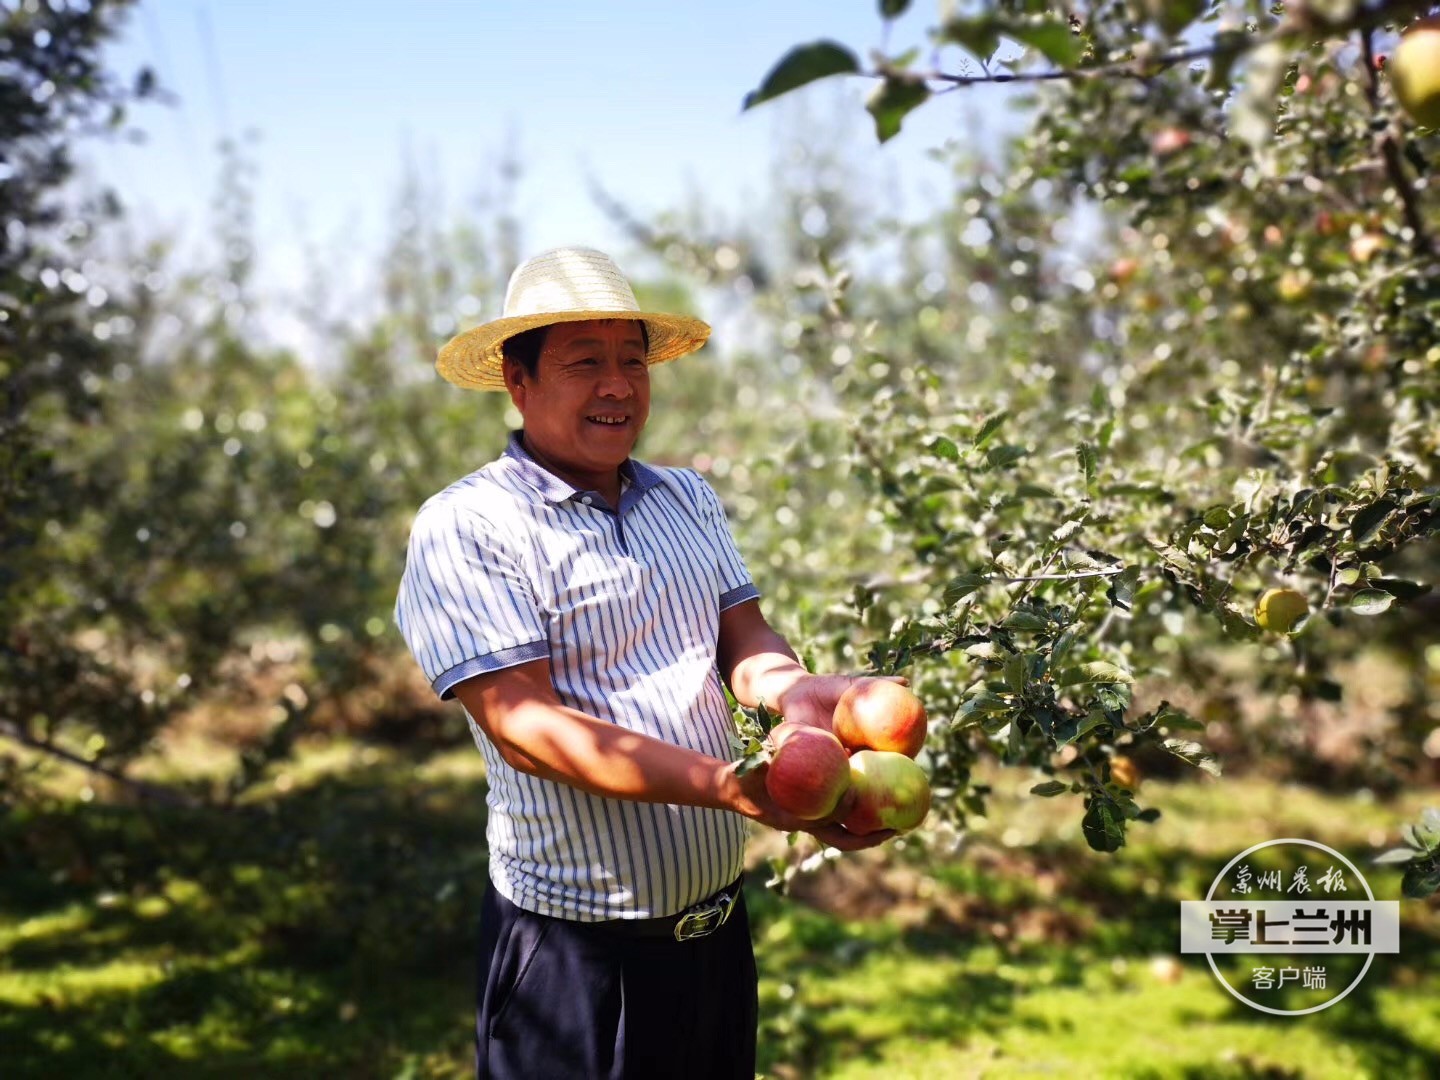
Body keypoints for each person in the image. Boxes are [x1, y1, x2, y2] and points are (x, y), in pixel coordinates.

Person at [393, 246, 892, 1079]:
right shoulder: (468, 525)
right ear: (517, 383)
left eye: (634, 361)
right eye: (585, 363)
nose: (618, 385)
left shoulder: (686, 498)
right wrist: (731, 787)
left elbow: (744, 641)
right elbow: (529, 730)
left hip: (712, 941)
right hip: (572, 959)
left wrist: (801, 695)